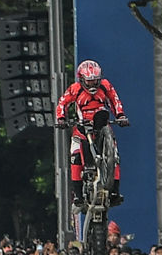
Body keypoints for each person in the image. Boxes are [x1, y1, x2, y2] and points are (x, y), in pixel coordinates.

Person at [55, 59, 130, 211]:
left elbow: (115, 100)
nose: (93, 84)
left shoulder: (106, 86)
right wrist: (61, 119)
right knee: (75, 156)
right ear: (82, 80)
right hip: (81, 127)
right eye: (89, 82)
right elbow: (62, 103)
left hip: (102, 124)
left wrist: (121, 115)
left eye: (96, 80)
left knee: (115, 156)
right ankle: (78, 195)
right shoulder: (74, 89)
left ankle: (114, 190)